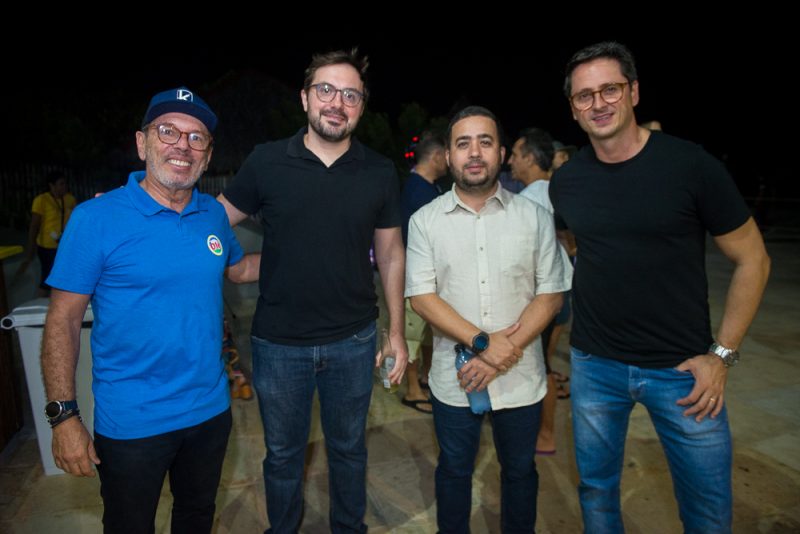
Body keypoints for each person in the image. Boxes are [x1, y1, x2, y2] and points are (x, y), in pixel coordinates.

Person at [550, 41, 770, 533]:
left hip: (685, 373)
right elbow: (573, 246)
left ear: (633, 92)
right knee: (597, 493)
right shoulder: (567, 182)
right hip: (594, 366)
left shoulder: (691, 166)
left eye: (610, 89)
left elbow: (753, 258)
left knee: (708, 511)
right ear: (573, 108)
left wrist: (723, 355)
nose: (598, 103)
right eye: (585, 96)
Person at [41, 87, 260, 534]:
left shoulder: (212, 216)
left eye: (196, 137)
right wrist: (64, 416)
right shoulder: (95, 219)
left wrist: (313, 251)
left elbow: (239, 270)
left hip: (209, 412)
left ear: (207, 153)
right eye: (168, 132)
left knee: (196, 518)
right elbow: (61, 320)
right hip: (132, 423)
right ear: (142, 144)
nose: (183, 145)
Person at [217, 48, 408, 533]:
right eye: (326, 90)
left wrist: (397, 333)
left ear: (361, 106)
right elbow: (212, 224)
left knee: (349, 450)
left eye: (350, 95)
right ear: (305, 98)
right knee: (282, 455)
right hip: (279, 344)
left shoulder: (380, 171)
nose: (336, 103)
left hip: (354, 341)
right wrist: (236, 265)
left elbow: (390, 255)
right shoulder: (267, 162)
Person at [406, 106, 572, 533]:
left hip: (521, 381)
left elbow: (551, 293)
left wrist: (504, 350)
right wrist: (484, 343)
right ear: (449, 154)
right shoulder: (425, 222)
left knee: (519, 473)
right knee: (454, 471)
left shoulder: (534, 217)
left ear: (500, 152)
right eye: (463, 143)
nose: (474, 152)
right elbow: (422, 298)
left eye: (484, 142)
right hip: (453, 379)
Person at [508, 127, 573, 455]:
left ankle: (545, 435)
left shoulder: (526, 202)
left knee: (540, 367)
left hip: (544, 297)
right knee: (541, 362)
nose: (510, 161)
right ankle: (541, 430)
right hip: (562, 293)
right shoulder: (559, 192)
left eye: (516, 155)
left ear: (531, 159)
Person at [399, 129, 448, 414]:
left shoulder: (429, 188)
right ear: (437, 156)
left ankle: (425, 378)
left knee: (429, 332)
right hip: (418, 278)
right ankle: (412, 389)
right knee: (413, 334)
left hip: (433, 278)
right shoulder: (415, 190)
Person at [17, 170, 77, 297]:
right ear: (52, 185)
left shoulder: (69, 199)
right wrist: (31, 248)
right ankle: (42, 303)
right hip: (47, 247)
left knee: (64, 276)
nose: (64, 186)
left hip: (64, 245)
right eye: (61, 184)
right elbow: (34, 225)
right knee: (48, 278)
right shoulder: (41, 200)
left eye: (65, 183)